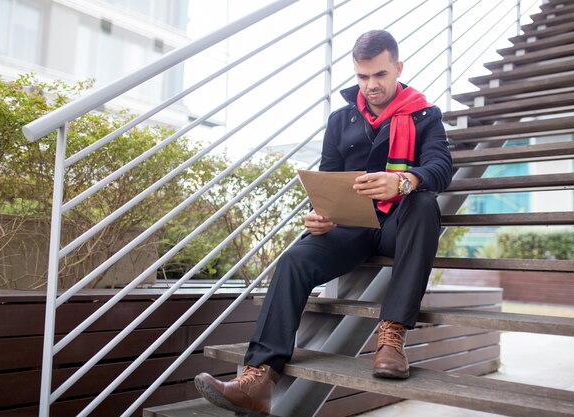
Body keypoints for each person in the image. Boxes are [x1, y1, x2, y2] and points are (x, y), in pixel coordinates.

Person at [194, 29, 453, 416]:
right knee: (294, 260)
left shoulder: (425, 115)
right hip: (350, 226)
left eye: (379, 75)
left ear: (397, 68)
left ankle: (390, 340)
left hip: (400, 225)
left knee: (425, 205)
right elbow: (329, 178)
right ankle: (259, 378)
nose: (370, 85)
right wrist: (322, 214)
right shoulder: (341, 119)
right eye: (362, 76)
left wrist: (403, 181)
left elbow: (441, 166)